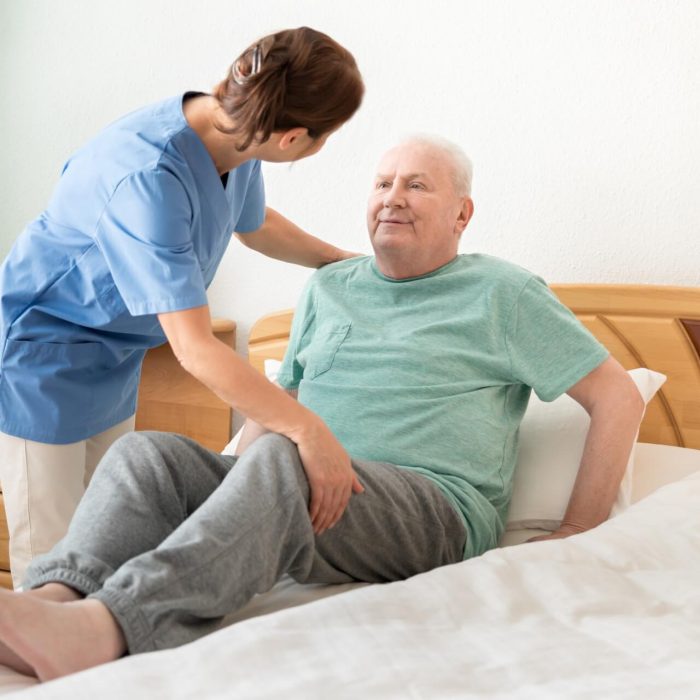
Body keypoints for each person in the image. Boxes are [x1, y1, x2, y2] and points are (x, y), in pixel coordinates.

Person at [0, 135, 645, 681]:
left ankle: (110, 625)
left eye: (417, 186)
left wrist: (577, 533)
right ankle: (57, 598)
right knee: (150, 454)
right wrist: (230, 488)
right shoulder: (331, 287)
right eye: (383, 183)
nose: (392, 197)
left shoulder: (502, 293)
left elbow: (615, 396)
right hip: (308, 482)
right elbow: (284, 405)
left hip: (431, 508)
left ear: (462, 213)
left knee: (288, 458)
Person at [0, 27, 365, 587]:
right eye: (326, 138)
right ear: (293, 139)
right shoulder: (150, 174)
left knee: (107, 546)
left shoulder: (236, 130)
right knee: (50, 566)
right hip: (43, 359)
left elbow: (255, 223)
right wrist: (307, 430)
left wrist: (340, 262)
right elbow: (195, 348)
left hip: (115, 359)